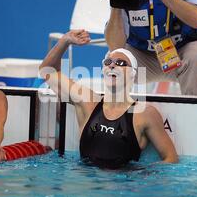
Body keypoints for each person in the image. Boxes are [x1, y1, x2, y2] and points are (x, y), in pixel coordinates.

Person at [39, 30, 178, 169]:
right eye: (108, 61)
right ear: (103, 70)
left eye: (121, 63)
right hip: (87, 183)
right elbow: (46, 71)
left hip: (125, 186)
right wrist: (65, 40)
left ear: (133, 74)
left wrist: (143, 177)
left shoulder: (144, 113)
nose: (112, 65)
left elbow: (170, 158)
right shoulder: (88, 101)